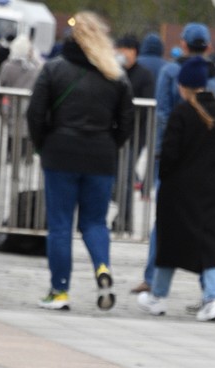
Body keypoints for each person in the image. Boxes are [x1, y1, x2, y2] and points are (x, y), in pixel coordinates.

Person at [26, 11, 133, 311]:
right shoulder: (116, 74)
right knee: (95, 223)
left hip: (60, 151)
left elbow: (35, 113)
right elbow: (126, 121)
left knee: (60, 225)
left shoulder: (54, 69)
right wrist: (111, 145)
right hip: (100, 155)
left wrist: (43, 144)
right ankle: (102, 268)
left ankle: (60, 290)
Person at [134, 58, 215, 323]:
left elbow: (168, 154)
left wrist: (164, 179)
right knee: (212, 248)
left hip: (179, 192)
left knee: (171, 244)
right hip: (213, 192)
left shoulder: (181, 114)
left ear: (182, 86)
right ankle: (213, 299)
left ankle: (158, 296)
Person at [132, 22, 215, 296]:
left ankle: (153, 279)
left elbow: (162, 114)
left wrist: (161, 151)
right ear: (207, 46)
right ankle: (208, 289)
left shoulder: (171, 72)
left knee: (165, 219)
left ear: (183, 43)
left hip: (175, 154)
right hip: (206, 160)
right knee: (205, 223)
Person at [111, 34, 155, 234]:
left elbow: (145, 107)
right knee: (115, 177)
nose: (120, 53)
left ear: (134, 51)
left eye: (124, 49)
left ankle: (125, 219)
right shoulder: (113, 71)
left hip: (134, 134)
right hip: (113, 133)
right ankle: (120, 215)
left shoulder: (144, 75)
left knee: (126, 178)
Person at [0, 34, 42, 166]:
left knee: (12, 128)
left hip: (10, 101)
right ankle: (26, 154)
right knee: (26, 129)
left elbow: (1, 82)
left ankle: (11, 153)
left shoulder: (7, 66)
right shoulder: (35, 67)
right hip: (29, 102)